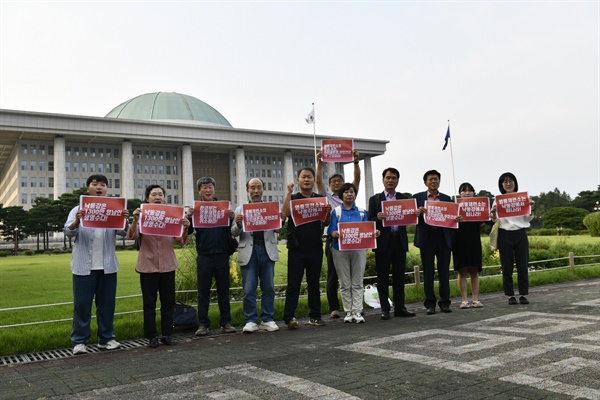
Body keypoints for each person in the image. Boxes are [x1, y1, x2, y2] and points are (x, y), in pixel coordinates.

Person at [64, 174, 130, 355]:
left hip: (107, 266)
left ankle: (106, 338)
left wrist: (125, 220)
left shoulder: (113, 209)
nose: (99, 187)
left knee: (107, 305)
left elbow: (124, 234)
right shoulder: (77, 209)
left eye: (102, 184)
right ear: (88, 189)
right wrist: (77, 220)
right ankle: (79, 342)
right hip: (83, 267)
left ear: (107, 189)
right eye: (95, 184)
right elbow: (68, 233)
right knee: (82, 305)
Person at [127, 185, 190, 347]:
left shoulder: (171, 217)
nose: (157, 197)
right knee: (149, 304)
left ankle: (168, 334)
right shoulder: (142, 217)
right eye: (153, 194)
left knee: (168, 303)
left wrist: (185, 228)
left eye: (160, 194)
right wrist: (134, 220)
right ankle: (152, 336)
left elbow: (181, 241)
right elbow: (132, 235)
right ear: (147, 198)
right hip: (148, 266)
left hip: (168, 266)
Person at [282, 167, 332, 329]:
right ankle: (289, 317)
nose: (306, 180)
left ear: (313, 180)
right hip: (296, 247)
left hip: (315, 246)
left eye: (309, 177)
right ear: (298, 180)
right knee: (293, 284)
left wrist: (327, 212)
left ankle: (315, 316)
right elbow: (284, 215)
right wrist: (288, 193)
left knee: (314, 284)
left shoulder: (319, 199)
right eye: (303, 177)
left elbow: (326, 222)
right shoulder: (294, 198)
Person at [187, 177, 237, 336]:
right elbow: (188, 232)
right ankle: (203, 324)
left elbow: (231, 231)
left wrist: (231, 218)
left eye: (210, 187)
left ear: (214, 190)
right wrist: (188, 218)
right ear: (199, 191)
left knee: (224, 290)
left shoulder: (222, 208)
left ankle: (226, 322)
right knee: (203, 291)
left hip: (222, 255)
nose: (208, 190)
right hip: (204, 256)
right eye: (204, 187)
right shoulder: (196, 210)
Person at [232, 178, 281, 333]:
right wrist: (238, 225)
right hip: (249, 251)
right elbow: (233, 232)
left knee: (269, 287)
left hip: (267, 250)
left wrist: (281, 219)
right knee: (249, 289)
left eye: (258, 188)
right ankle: (251, 320)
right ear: (248, 190)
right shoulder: (240, 209)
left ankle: (268, 319)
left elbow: (279, 230)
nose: (255, 191)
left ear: (263, 189)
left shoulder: (271, 208)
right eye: (252, 188)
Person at [316, 149, 361, 319]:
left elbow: (357, 179)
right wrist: (320, 161)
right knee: (333, 275)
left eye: (339, 181)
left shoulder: (350, 196)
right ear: (329, 185)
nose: (336, 183)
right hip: (333, 239)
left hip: (353, 241)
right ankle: (335, 308)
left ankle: (354, 308)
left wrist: (356, 162)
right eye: (333, 181)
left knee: (353, 275)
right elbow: (318, 179)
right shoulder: (326, 196)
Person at [368, 168, 416, 320]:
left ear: (397, 180)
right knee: (383, 277)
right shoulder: (375, 199)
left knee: (399, 277)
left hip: (399, 240)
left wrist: (415, 214)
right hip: (383, 242)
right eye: (388, 178)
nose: (390, 180)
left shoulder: (404, 198)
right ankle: (385, 309)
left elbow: (410, 218)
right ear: (383, 180)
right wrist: (378, 218)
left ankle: (400, 307)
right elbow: (370, 221)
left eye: (393, 178)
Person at [328, 183, 379, 323]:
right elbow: (330, 229)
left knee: (357, 282)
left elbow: (368, 228)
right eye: (346, 192)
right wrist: (334, 233)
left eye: (352, 192)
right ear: (341, 195)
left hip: (358, 249)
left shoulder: (362, 212)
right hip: (339, 250)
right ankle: (348, 312)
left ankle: (357, 311)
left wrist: (375, 232)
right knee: (345, 283)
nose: (349, 194)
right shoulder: (336, 212)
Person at [490, 172, 535, 305]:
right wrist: (492, 213)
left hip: (520, 233)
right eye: (505, 182)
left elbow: (528, 218)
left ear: (515, 183)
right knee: (507, 266)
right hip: (505, 233)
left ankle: (523, 294)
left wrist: (531, 208)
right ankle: (510, 295)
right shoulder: (498, 200)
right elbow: (494, 220)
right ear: (501, 185)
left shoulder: (522, 198)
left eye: (511, 181)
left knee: (522, 264)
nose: (508, 184)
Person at [414, 170, 454, 315]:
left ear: (439, 181)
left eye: (436, 179)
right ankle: (430, 303)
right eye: (430, 179)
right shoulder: (417, 198)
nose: (433, 182)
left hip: (443, 237)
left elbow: (452, 218)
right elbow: (412, 219)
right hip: (427, 237)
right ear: (425, 182)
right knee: (428, 272)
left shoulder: (447, 198)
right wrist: (417, 213)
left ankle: (445, 302)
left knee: (444, 272)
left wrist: (456, 220)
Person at [453, 182, 490, 309]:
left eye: (469, 190)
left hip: (474, 241)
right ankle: (464, 300)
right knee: (462, 271)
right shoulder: (455, 208)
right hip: (459, 242)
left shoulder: (479, 207)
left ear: (474, 193)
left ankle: (475, 299)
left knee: (474, 271)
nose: (467, 193)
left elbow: (488, 222)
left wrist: (489, 216)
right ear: (459, 193)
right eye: (464, 190)